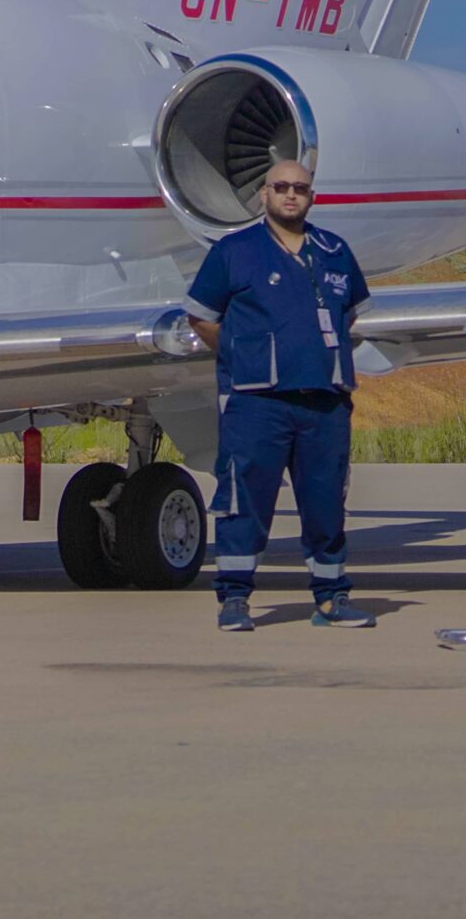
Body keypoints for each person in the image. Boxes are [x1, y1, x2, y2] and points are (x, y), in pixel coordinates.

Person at [185, 158, 377, 632]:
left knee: (326, 501)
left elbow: (349, 313)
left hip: (324, 402)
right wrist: (243, 355)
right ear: (264, 194)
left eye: (301, 188)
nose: (291, 194)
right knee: (245, 498)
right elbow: (202, 317)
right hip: (257, 404)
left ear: (312, 197)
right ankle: (234, 599)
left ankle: (331, 597)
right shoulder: (235, 251)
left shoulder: (334, 250)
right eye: (282, 187)